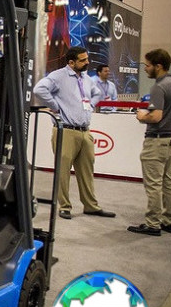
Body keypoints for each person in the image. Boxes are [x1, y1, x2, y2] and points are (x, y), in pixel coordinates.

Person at [32, 46, 115, 220]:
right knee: (63, 172)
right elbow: (39, 89)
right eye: (83, 60)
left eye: (87, 59)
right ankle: (65, 206)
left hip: (85, 132)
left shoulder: (86, 78)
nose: (87, 62)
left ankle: (91, 206)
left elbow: (97, 93)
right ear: (71, 62)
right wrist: (55, 106)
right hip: (66, 131)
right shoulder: (58, 76)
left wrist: (91, 105)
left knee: (87, 171)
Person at [127, 49, 171, 236]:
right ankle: (169, 221)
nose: (145, 68)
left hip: (157, 142)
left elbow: (156, 116)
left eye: (148, 65)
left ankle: (153, 224)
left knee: (154, 185)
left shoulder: (159, 87)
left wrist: (142, 116)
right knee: (168, 182)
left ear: (158, 66)